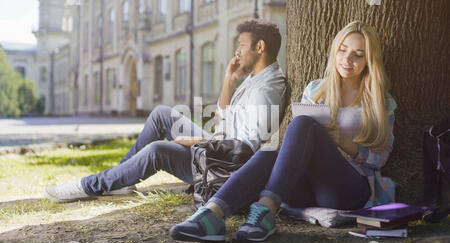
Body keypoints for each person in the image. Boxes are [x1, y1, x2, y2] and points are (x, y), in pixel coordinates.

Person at [170, 21, 398, 243]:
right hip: (304, 185)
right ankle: (211, 214)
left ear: (369, 60)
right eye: (342, 50)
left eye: (358, 54)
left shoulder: (380, 102)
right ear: (334, 51)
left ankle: (264, 211)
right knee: (269, 152)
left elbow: (381, 158)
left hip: (347, 188)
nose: (347, 59)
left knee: (303, 125)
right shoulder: (316, 90)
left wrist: (344, 142)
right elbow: (296, 146)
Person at [44, 19, 286, 203]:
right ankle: (119, 178)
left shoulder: (266, 90)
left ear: (260, 46)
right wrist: (229, 79)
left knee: (157, 150)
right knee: (161, 113)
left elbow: (243, 150)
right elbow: (225, 117)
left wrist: (196, 141)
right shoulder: (256, 80)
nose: (237, 51)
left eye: (242, 45)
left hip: (223, 172)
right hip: (218, 150)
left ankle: (91, 185)